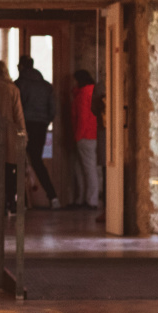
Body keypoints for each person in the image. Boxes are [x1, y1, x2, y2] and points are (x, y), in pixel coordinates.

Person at [15, 56, 60, 208]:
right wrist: (45, 122)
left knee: (19, 161)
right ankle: (53, 197)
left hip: (24, 126)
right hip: (40, 126)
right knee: (37, 162)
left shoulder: (19, 84)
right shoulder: (46, 86)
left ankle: (21, 201)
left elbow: (16, 108)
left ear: (20, 66)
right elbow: (53, 109)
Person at [0, 61, 26, 214]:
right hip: (9, 134)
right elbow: (18, 115)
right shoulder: (12, 89)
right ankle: (11, 201)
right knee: (9, 170)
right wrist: (23, 134)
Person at [71, 69, 99, 209]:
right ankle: (84, 199)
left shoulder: (82, 95)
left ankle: (90, 200)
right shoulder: (93, 92)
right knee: (83, 168)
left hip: (84, 136)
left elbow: (82, 117)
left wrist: (78, 136)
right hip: (92, 134)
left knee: (87, 169)